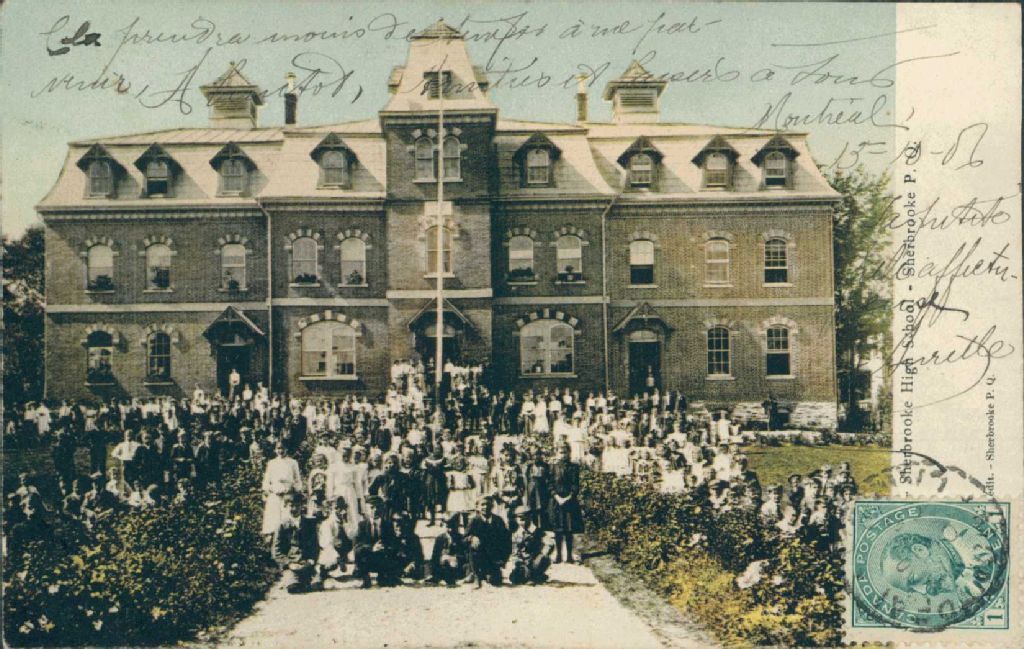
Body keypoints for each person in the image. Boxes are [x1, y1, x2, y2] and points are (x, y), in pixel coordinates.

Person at [353, 495, 402, 588]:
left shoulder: (388, 524)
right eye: (372, 507)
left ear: (382, 509)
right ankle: (365, 576)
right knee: (359, 551)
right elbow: (357, 545)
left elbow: (394, 542)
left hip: (383, 556)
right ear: (366, 509)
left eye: (378, 507)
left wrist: (385, 546)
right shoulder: (362, 525)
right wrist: (372, 548)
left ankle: (385, 575)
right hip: (368, 557)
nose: (375, 510)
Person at [465, 495, 511, 587]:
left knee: (494, 581)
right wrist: (472, 538)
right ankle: (476, 576)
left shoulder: (498, 521)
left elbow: (506, 541)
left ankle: (488, 574)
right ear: (478, 507)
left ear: (492, 506)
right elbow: (464, 539)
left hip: (493, 558)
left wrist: (503, 560)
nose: (485, 507)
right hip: (479, 557)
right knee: (473, 545)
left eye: (488, 504)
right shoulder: (474, 521)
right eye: (483, 505)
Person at [548, 443, 584, 564]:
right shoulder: (553, 467)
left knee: (569, 530)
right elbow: (550, 484)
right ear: (557, 453)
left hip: (570, 502)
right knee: (557, 529)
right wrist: (556, 497)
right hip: (556, 502)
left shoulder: (574, 467)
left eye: (565, 452)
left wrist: (568, 497)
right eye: (560, 452)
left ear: (569, 453)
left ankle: (569, 556)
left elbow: (575, 485)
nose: (563, 455)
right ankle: (558, 555)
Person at [261, 442, 302, 538]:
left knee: (287, 519)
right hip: (275, 495)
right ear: (275, 450)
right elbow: (266, 481)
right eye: (278, 448)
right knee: (274, 520)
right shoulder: (271, 463)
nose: (280, 451)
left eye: (283, 448)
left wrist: (293, 489)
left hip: (288, 495)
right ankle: (273, 541)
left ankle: (289, 541)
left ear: (286, 449)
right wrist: (271, 489)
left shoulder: (293, 462)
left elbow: (297, 480)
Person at [509, 504, 554, 585]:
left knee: (543, 559)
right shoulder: (516, 534)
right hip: (523, 562)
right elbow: (514, 551)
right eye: (518, 517)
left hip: (535, 560)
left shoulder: (538, 532)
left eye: (524, 517)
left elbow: (550, 544)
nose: (521, 519)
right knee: (514, 578)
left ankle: (536, 574)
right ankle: (534, 576)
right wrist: (519, 561)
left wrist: (543, 554)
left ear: (530, 517)